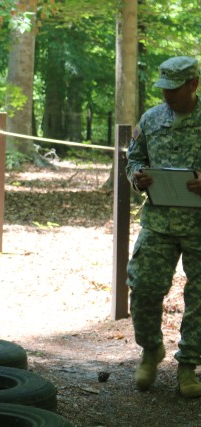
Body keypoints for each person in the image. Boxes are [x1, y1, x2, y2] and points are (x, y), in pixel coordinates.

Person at [126, 56, 201, 398]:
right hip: (158, 220)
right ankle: (151, 349)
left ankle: (188, 365)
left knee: (199, 298)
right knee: (142, 287)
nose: (168, 95)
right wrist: (137, 177)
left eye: (174, 89)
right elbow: (134, 156)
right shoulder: (151, 118)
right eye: (164, 89)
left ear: (193, 85)